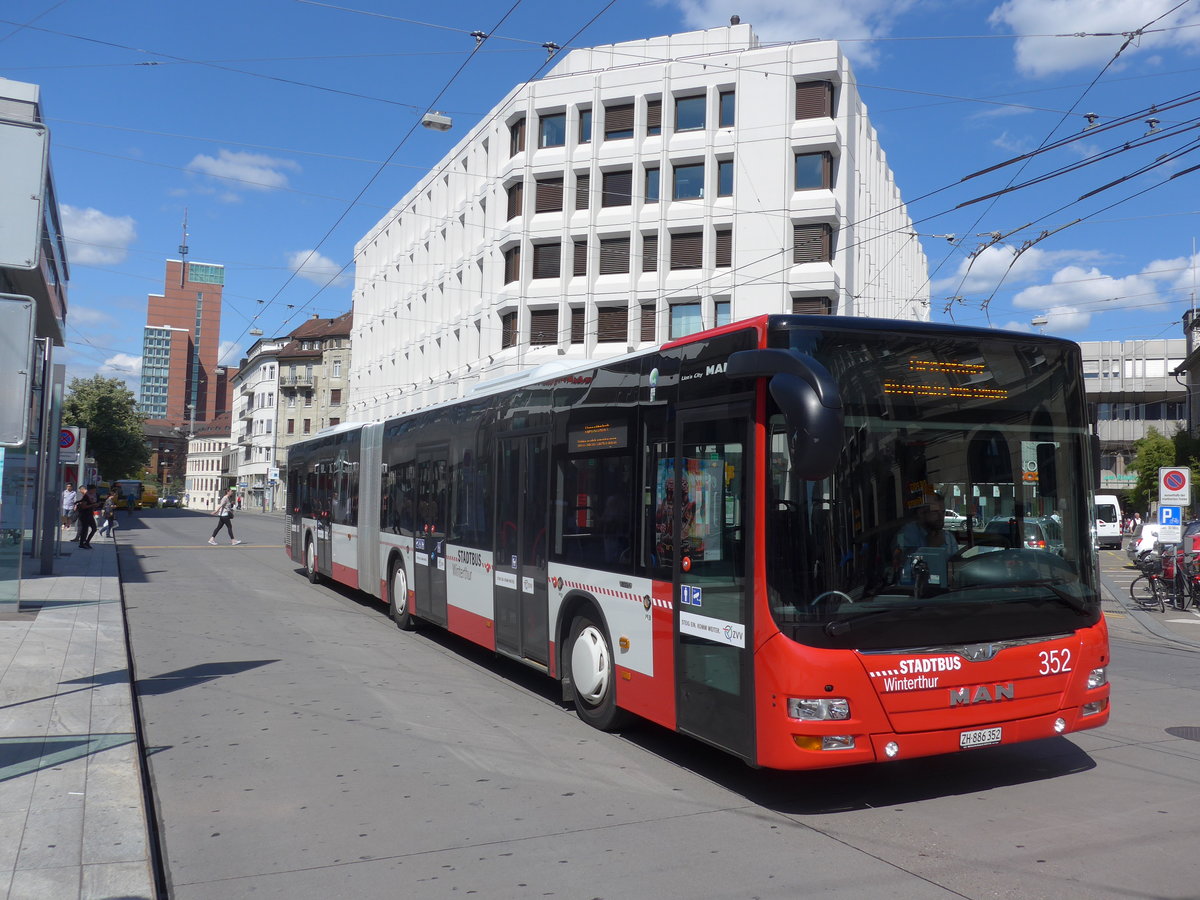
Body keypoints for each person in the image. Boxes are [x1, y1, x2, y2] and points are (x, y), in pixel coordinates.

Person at [75, 484, 99, 549]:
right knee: (84, 529)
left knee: (94, 528)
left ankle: (87, 542)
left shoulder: (93, 495)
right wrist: (93, 505)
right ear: (90, 490)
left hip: (90, 514)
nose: (95, 491)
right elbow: (84, 506)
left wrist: (95, 505)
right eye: (94, 490)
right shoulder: (86, 496)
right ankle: (82, 544)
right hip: (84, 514)